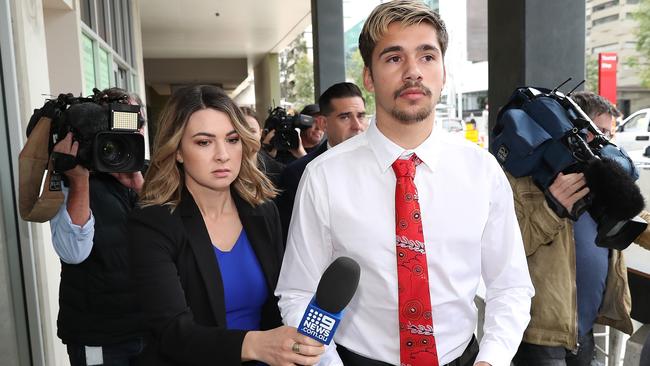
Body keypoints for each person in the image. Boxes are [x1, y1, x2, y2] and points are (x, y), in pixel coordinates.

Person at [275, 2, 534, 366]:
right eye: (394, 58)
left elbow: (510, 286)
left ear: (443, 72)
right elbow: (298, 292)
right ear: (369, 77)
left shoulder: (482, 172)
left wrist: (492, 358)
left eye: (427, 57)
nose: (413, 72)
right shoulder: (324, 176)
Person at [127, 85, 324, 365]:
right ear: (178, 150)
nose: (223, 154)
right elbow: (172, 334)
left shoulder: (263, 211)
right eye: (204, 142)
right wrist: (257, 344)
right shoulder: (152, 224)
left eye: (232, 140)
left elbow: (279, 304)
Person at [508, 90, 650, 366]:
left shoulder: (602, 177)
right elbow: (507, 250)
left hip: (584, 329)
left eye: (610, 134)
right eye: (599, 133)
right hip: (541, 336)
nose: (604, 143)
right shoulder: (526, 181)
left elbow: (638, 220)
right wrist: (552, 207)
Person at [49, 88, 147, 365]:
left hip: (151, 327)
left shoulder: (149, 175)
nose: (127, 136)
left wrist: (139, 185)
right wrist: (79, 180)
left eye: (135, 125)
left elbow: (176, 236)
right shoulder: (71, 175)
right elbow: (73, 252)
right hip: (99, 337)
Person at [276, 82, 368, 244]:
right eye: (345, 117)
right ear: (323, 123)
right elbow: (292, 243)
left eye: (361, 116)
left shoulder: (391, 166)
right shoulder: (298, 174)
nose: (357, 126)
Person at [240, 106, 284, 186]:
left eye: (252, 131)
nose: (247, 136)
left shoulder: (279, 172)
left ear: (261, 133)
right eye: (241, 131)